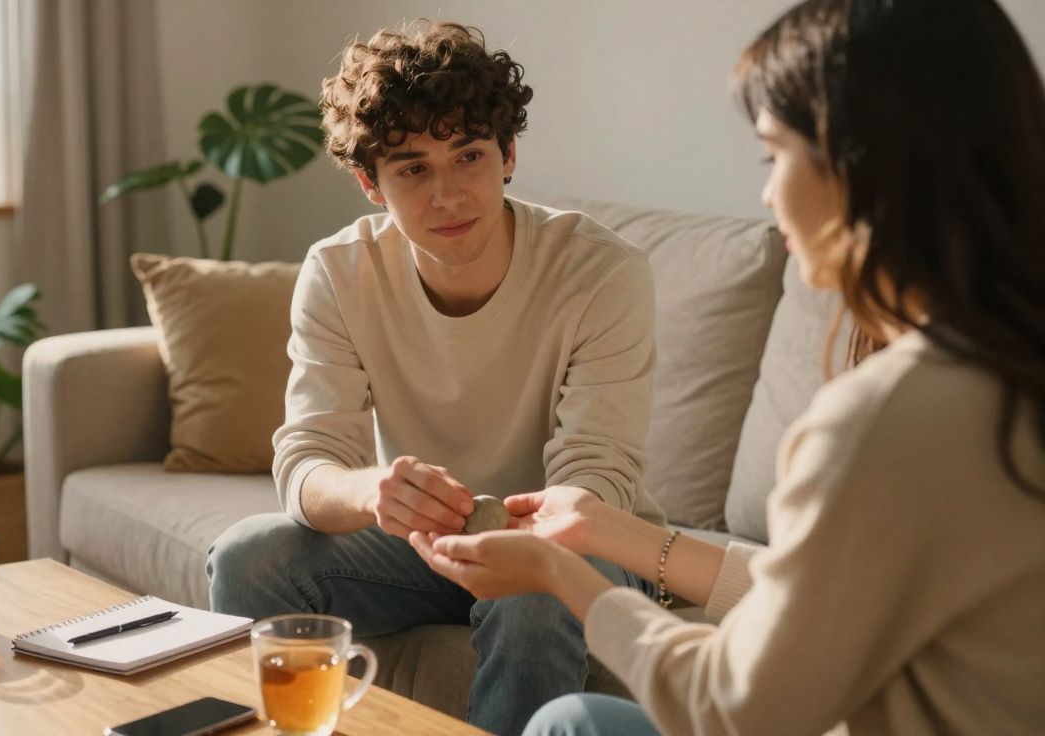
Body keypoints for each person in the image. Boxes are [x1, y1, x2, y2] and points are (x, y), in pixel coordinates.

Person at [411, 0, 1045, 734]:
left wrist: (563, 578)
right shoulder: (1004, 368)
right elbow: (820, 595)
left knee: (571, 723)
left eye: (775, 156)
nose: (768, 196)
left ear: (863, 163)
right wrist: (611, 532)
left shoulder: (884, 418)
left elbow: (734, 706)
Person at [206, 20, 668, 735]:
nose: (448, 196)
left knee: (534, 586)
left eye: (469, 156)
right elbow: (305, 462)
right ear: (370, 183)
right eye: (413, 169)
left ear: (508, 155)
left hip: (582, 543)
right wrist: (374, 492)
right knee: (249, 558)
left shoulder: (602, 272)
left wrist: (520, 537)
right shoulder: (339, 272)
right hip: (423, 547)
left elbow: (598, 475)